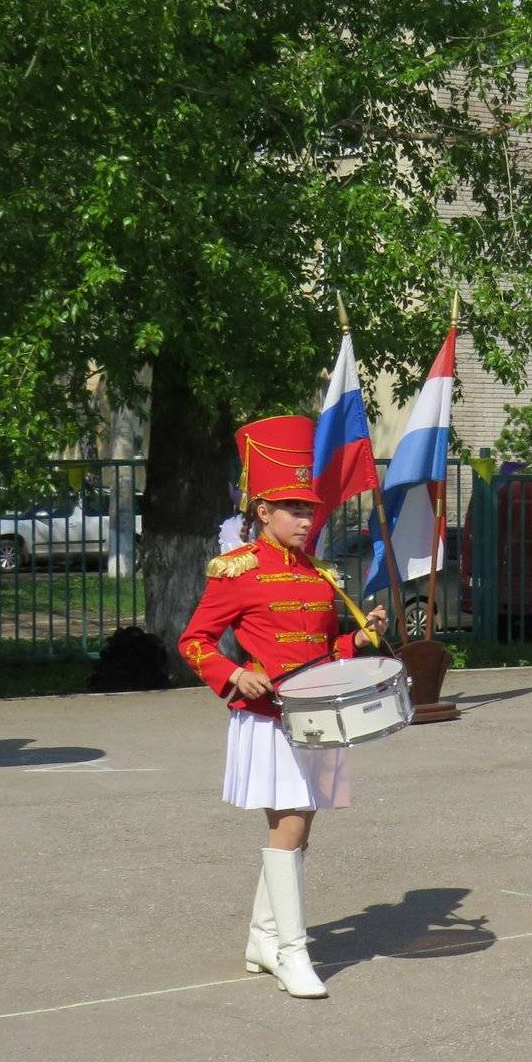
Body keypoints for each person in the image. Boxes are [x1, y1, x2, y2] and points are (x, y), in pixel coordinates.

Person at [178, 415, 388, 1000]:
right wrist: (233, 673)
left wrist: (359, 640)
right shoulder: (238, 571)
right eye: (293, 508)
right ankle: (292, 953)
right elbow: (193, 641)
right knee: (288, 825)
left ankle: (263, 937)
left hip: (317, 717)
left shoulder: (322, 575)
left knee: (301, 828)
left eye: (309, 508)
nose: (305, 519)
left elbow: (319, 653)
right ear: (262, 510)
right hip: (270, 719)